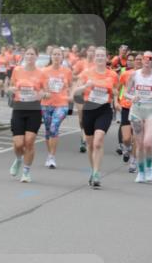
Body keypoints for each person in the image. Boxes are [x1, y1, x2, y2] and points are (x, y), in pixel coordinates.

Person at [71, 46, 119, 188]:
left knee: (98, 142)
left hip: (104, 110)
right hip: (89, 109)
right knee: (91, 144)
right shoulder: (86, 73)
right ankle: (93, 170)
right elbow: (75, 91)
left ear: (106, 58)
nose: (99, 58)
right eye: (97, 55)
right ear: (94, 58)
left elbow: (115, 91)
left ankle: (97, 173)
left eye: (102, 55)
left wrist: (116, 102)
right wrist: (85, 86)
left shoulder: (112, 75)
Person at [125, 50, 152, 183]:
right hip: (136, 111)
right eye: (145, 58)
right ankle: (141, 172)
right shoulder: (134, 75)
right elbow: (126, 93)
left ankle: (149, 168)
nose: (147, 60)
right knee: (139, 144)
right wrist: (132, 97)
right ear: (142, 60)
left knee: (148, 143)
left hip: (151, 110)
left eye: (150, 58)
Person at [7, 46, 46, 183]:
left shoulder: (41, 73)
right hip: (19, 108)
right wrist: (11, 89)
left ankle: (26, 172)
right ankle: (18, 160)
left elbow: (46, 91)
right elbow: (11, 86)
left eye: (32, 54)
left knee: (29, 142)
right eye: (28, 54)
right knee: (18, 144)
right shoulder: (17, 70)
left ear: (36, 57)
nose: (30, 56)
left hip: (34, 109)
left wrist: (42, 94)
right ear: (25, 56)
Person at [40, 46, 73, 168]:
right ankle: (49, 154)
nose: (56, 56)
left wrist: (71, 95)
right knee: (48, 130)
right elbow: (39, 87)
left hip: (62, 104)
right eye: (54, 54)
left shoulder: (67, 72)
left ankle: (52, 157)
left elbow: (71, 85)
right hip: (46, 104)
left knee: (54, 127)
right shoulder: (44, 71)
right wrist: (43, 93)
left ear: (62, 57)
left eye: (59, 54)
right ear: (51, 56)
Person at [72, 45, 96, 153]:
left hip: (92, 94)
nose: (91, 53)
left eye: (93, 51)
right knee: (82, 117)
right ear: (87, 52)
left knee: (90, 116)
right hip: (80, 93)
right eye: (90, 50)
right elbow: (72, 75)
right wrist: (82, 76)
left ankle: (88, 137)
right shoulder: (81, 63)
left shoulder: (98, 65)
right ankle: (83, 138)